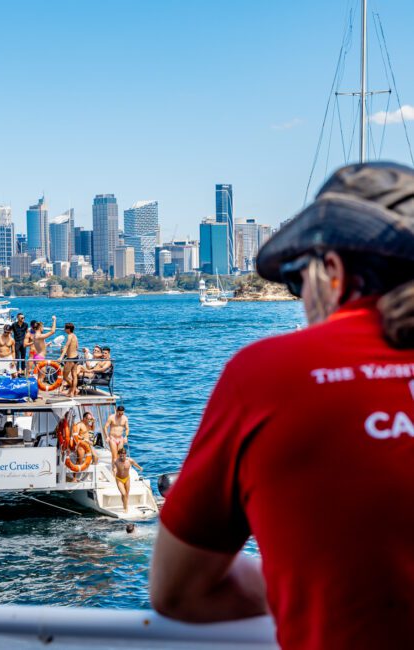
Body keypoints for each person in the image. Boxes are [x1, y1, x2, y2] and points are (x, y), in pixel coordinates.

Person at [150, 162, 414, 649]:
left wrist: (317, 588)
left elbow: (179, 590)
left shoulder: (268, 374)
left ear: (333, 273)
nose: (300, 299)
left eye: (298, 281)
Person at [112, 446, 142, 513]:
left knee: (126, 494)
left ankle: (124, 505)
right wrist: (114, 471)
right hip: (119, 479)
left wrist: (140, 468)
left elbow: (135, 464)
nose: (122, 457)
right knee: (123, 493)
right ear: (118, 455)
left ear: (125, 454)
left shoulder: (129, 460)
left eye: (123, 455)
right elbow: (113, 467)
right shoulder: (116, 461)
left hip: (127, 479)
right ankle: (126, 508)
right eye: (120, 455)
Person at [58, 322, 80, 396]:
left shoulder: (69, 336)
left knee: (65, 376)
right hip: (76, 357)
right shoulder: (75, 336)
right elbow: (77, 346)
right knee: (74, 375)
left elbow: (66, 346)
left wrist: (61, 356)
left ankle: (75, 389)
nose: (64, 329)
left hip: (71, 358)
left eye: (65, 328)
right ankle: (73, 392)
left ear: (68, 329)